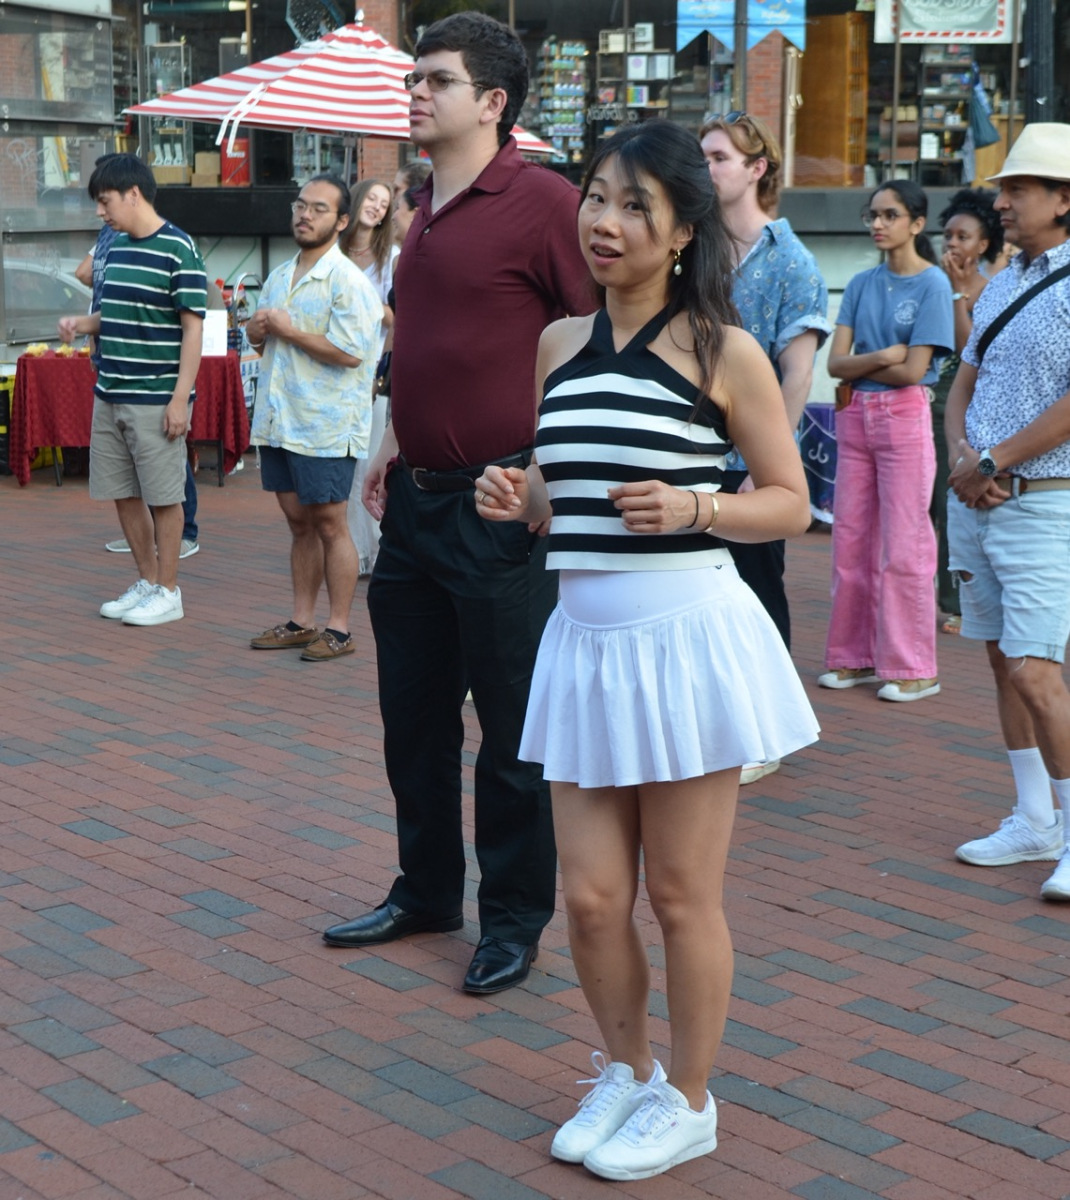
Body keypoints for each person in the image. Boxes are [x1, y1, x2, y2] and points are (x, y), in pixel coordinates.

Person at [475, 119, 818, 1181]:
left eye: (635, 206)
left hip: (685, 640)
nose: (605, 222)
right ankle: (626, 1073)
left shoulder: (723, 350)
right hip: (582, 641)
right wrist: (523, 495)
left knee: (678, 896)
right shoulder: (558, 344)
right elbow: (565, 480)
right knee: (587, 898)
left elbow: (789, 503)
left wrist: (696, 506)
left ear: (681, 233)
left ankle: (691, 1099)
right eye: (595, 197)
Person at [321, 12, 595, 996]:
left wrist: (550, 472)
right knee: (414, 719)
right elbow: (430, 344)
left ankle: (512, 920)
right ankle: (428, 892)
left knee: (512, 732)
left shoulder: (545, 202)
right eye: (415, 78)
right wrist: (394, 441)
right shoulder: (423, 205)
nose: (415, 92)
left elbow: (600, 341)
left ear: (491, 102)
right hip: (415, 503)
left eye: (436, 80)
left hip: (499, 504)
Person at [945, 124, 1070, 901]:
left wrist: (991, 462)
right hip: (979, 497)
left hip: (1043, 502)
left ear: (1064, 199)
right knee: (1000, 660)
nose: (1002, 202)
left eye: (1018, 189)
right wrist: (963, 457)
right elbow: (963, 381)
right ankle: (1034, 818)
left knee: (1035, 668)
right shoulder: (1003, 280)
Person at [699, 111, 830, 785]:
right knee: (699, 590)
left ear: (757, 169)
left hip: (749, 459)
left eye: (719, 157)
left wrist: (764, 462)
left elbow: (797, 372)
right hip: (692, 450)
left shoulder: (791, 259)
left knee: (757, 589)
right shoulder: (693, 244)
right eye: (703, 155)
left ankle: (767, 732)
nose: (707, 167)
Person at [58, 153, 206, 626]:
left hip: (155, 397)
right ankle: (147, 581)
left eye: (105, 202)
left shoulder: (179, 248)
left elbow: (193, 329)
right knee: (122, 492)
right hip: (110, 392)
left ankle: (168, 591)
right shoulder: (117, 247)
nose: (100, 212)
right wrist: (82, 323)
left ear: (133, 194)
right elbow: (115, 313)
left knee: (164, 497)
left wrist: (180, 398)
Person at [820, 180, 954, 702]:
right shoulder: (860, 282)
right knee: (849, 540)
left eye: (890, 214)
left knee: (905, 546)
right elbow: (834, 364)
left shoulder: (934, 284)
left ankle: (914, 667)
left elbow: (915, 371)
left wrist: (866, 364)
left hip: (903, 416)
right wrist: (883, 356)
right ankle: (852, 657)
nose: (877, 223)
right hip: (855, 416)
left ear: (917, 224)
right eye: (872, 214)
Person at [246, 175, 382, 661]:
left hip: (324, 424)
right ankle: (301, 621)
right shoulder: (280, 275)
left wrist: (288, 331)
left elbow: (352, 352)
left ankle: (339, 629)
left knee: (329, 524)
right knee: (298, 523)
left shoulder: (348, 282)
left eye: (319, 209)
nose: (305, 215)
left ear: (342, 221)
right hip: (279, 419)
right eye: (301, 205)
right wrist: (257, 330)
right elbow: (261, 343)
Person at [932, 189, 1004, 634]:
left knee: (950, 497)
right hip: (927, 397)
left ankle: (955, 602)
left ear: (983, 244)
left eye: (963, 236)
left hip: (964, 399)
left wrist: (959, 292)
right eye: (948, 235)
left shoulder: (992, 290)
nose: (953, 243)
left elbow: (966, 346)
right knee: (926, 501)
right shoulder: (930, 282)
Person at [340, 179, 399, 576]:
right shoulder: (333, 252)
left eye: (384, 204)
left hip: (373, 370)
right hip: (334, 369)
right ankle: (353, 551)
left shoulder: (391, 258)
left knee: (372, 459)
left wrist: (363, 298)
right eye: (372, 198)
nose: (376, 206)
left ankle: (379, 549)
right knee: (346, 463)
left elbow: (397, 317)